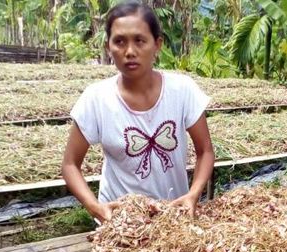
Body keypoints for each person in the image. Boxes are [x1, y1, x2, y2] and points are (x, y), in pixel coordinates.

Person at [62, 0, 214, 223]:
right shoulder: (97, 98)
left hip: (172, 216)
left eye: (140, 41)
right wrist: (96, 207)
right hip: (121, 221)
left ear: (157, 44)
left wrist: (192, 195)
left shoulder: (182, 90)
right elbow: (69, 165)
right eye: (120, 42)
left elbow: (206, 151)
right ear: (108, 47)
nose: (130, 51)